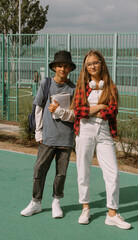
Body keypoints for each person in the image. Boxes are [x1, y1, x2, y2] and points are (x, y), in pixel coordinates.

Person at [70, 50, 131, 229]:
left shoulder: (110, 86)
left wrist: (92, 109)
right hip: (85, 130)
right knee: (83, 170)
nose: (93, 66)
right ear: (86, 68)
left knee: (113, 173)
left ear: (101, 64)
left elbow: (112, 111)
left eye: (95, 62)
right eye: (89, 64)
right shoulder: (82, 86)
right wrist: (99, 106)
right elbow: (78, 111)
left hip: (104, 132)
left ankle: (112, 213)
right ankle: (85, 207)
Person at [20, 50, 76, 218]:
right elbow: (38, 108)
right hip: (48, 136)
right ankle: (35, 202)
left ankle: (56, 202)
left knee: (61, 173)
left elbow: (75, 114)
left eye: (66, 66)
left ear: (70, 69)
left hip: (66, 138)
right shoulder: (46, 84)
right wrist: (38, 132)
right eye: (59, 66)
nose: (63, 69)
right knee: (39, 169)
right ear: (54, 68)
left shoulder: (74, 88)